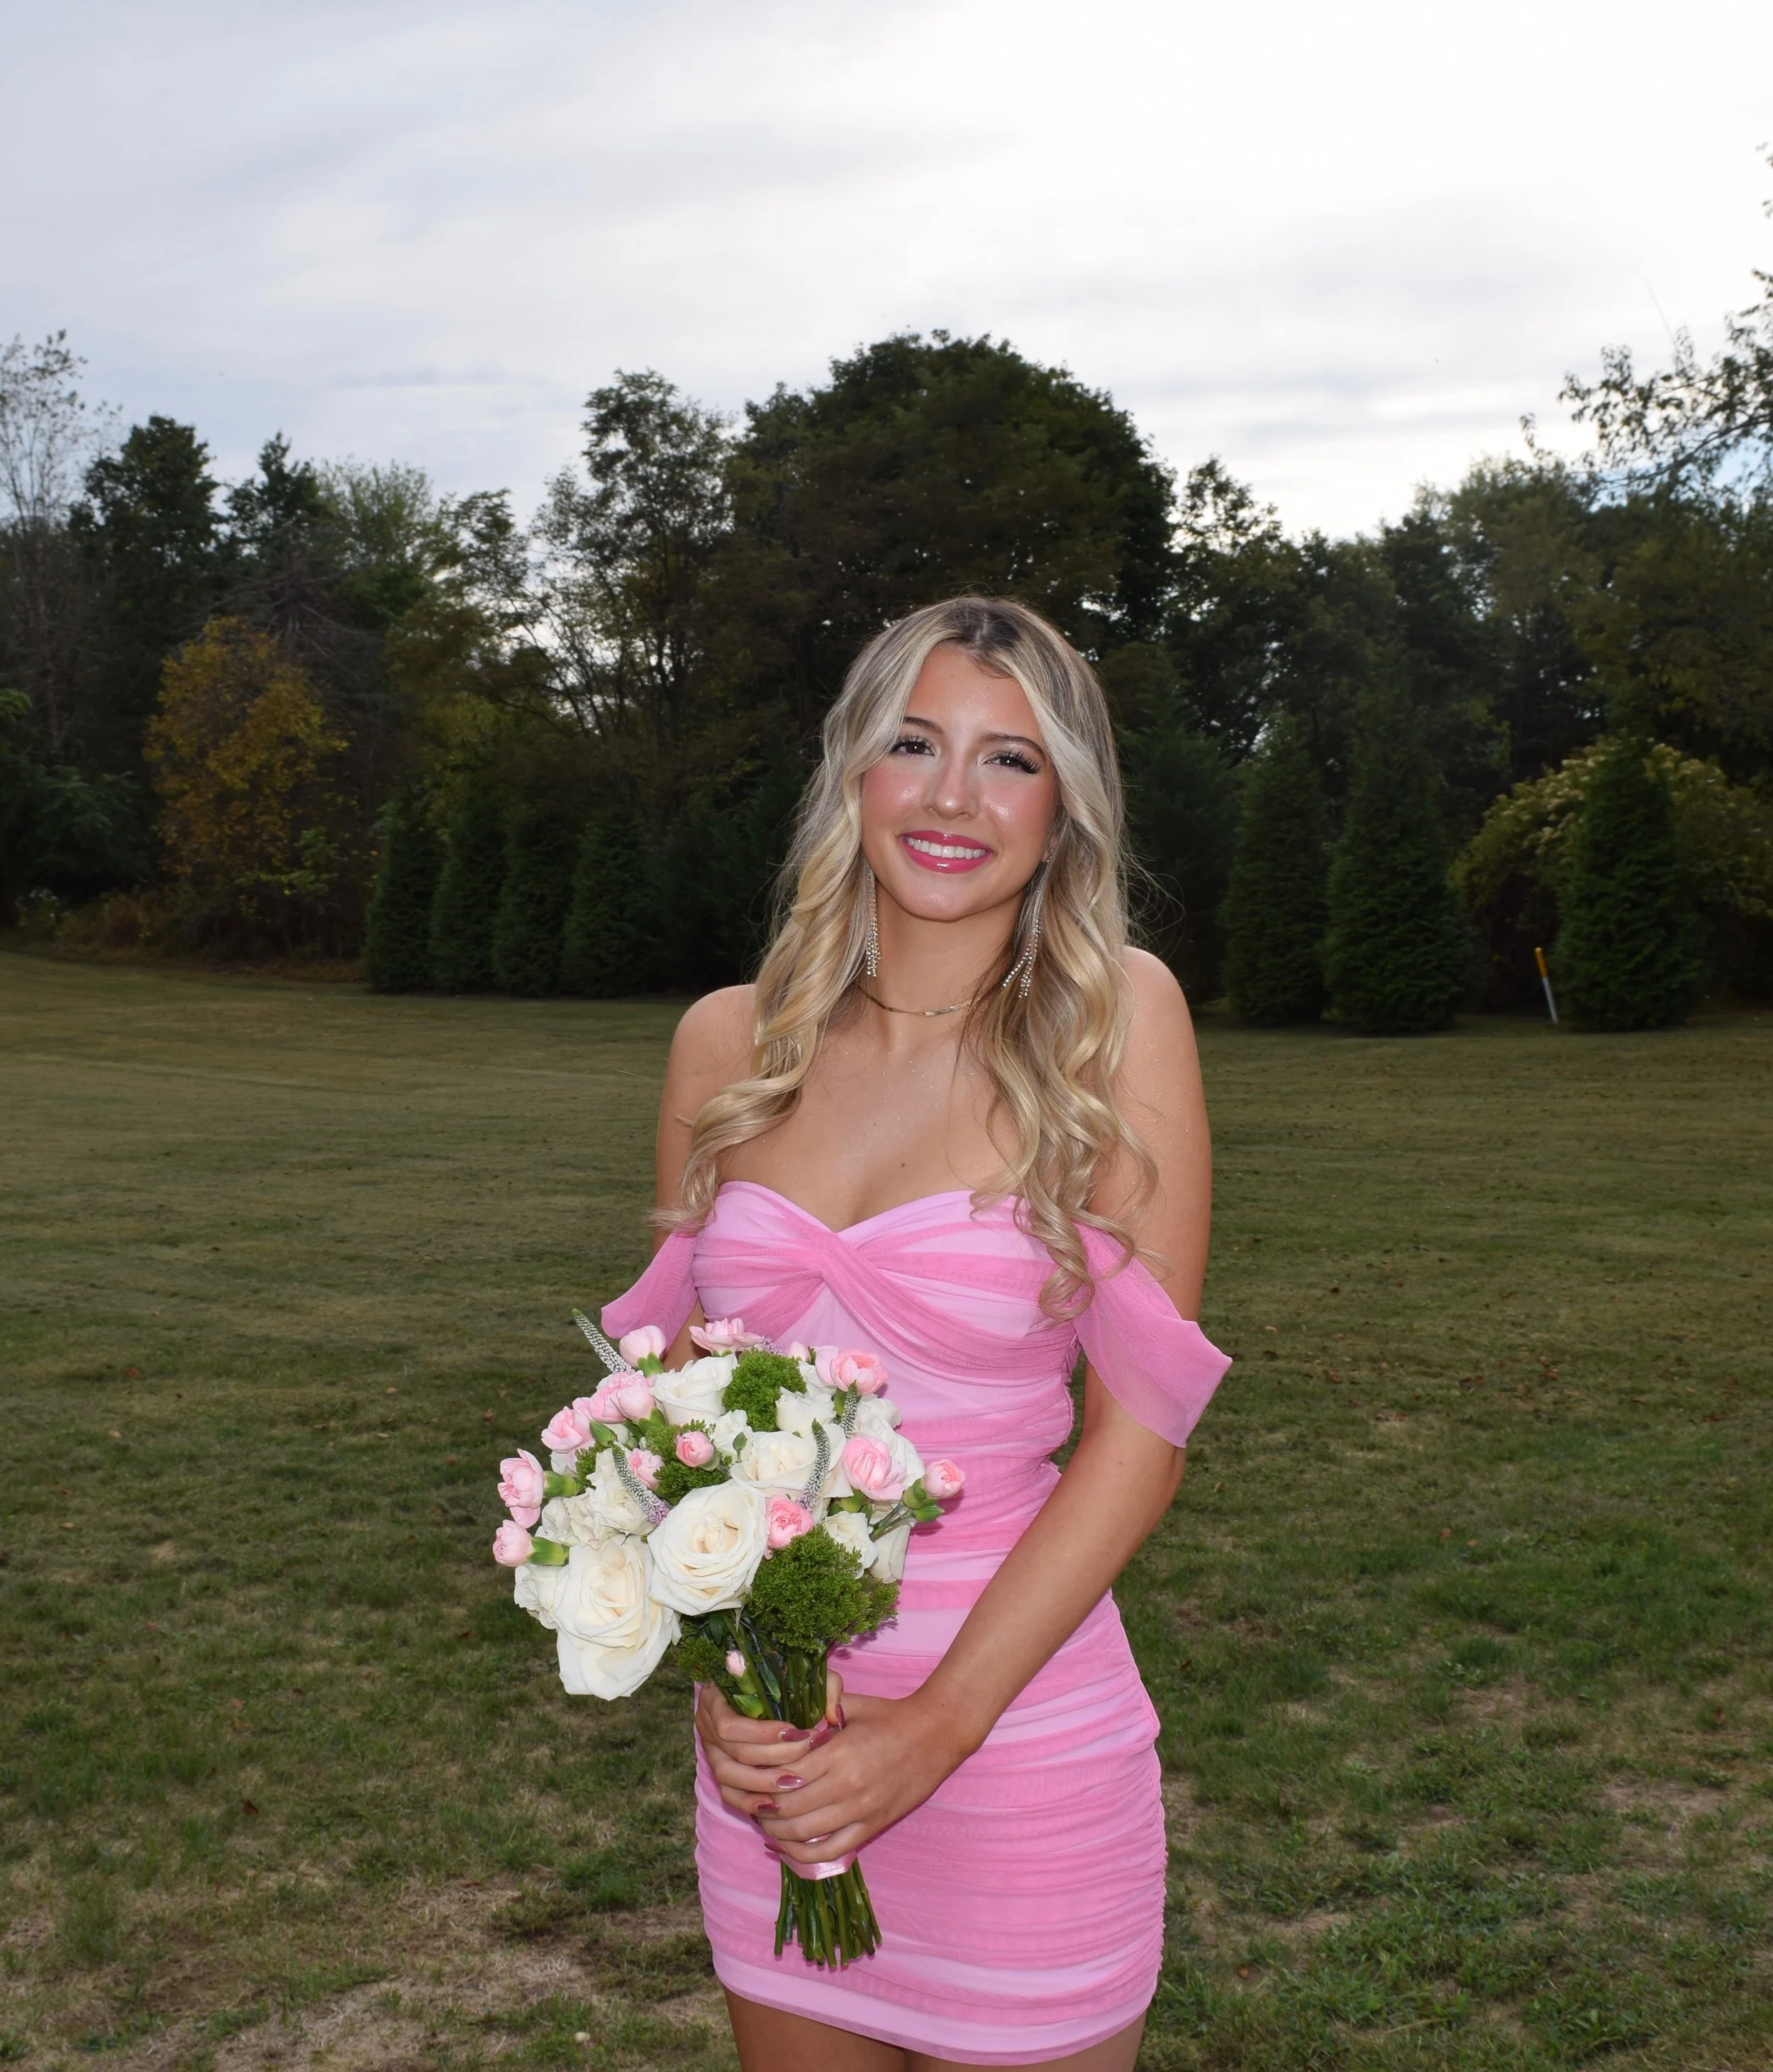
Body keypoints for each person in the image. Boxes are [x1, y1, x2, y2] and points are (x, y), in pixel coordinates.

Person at [604, 597, 1229, 2071]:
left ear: (1063, 805)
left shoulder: (1112, 1024)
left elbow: (1141, 1433)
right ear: (852, 772)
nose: (953, 796)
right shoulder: (723, 1042)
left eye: (1008, 759)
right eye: (913, 742)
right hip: (781, 1754)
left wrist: (937, 1725)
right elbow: (679, 1420)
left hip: (1013, 1742)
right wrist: (722, 1681)